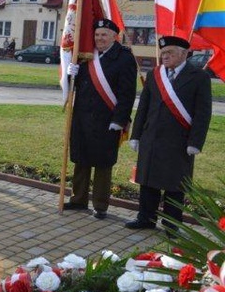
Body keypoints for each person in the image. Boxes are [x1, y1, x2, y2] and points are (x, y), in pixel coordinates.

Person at [125, 36, 212, 232]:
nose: (164, 56)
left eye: (169, 53)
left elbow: (203, 113)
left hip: (179, 141)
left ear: (184, 53)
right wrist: (136, 135)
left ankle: (172, 224)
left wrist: (195, 142)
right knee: (148, 181)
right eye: (163, 53)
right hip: (152, 138)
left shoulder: (199, 77)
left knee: (174, 184)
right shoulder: (155, 75)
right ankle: (145, 218)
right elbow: (144, 107)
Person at [64, 19, 137, 219]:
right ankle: (78, 199)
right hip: (83, 117)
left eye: (104, 34)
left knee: (103, 164)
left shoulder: (124, 58)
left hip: (107, 120)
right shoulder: (87, 55)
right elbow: (78, 85)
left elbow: (127, 94)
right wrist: (71, 75)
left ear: (115, 36)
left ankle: (100, 205)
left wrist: (119, 120)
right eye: (97, 35)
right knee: (81, 159)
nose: (99, 38)